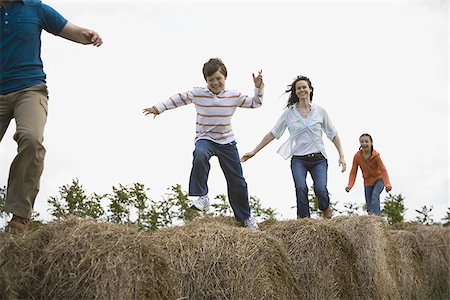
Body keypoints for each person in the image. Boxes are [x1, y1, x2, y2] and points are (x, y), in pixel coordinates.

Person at [0, 0, 103, 232]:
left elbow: (68, 28)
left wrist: (87, 34)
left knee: (31, 139)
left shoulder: (34, 8)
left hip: (30, 89)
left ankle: (19, 217)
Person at [143, 58, 264, 229]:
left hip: (227, 142)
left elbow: (256, 103)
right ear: (206, 80)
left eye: (218, 78)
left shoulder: (233, 96)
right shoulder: (198, 93)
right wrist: (159, 108)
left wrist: (258, 88)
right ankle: (202, 196)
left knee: (237, 181)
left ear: (225, 77)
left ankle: (244, 217)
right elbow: (178, 98)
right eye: (211, 79)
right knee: (200, 155)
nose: (215, 83)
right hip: (205, 139)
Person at [241, 75, 345, 219]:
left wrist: (342, 156)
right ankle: (304, 221)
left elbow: (333, 134)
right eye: (298, 88)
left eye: (304, 87)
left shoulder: (320, 111)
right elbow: (273, 133)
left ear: (310, 89)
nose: (302, 90)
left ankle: (325, 207)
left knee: (320, 189)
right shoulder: (289, 113)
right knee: (301, 188)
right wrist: (254, 151)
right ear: (295, 92)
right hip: (299, 159)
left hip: (318, 158)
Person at [345, 133, 392, 215]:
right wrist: (350, 185)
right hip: (367, 182)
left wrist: (387, 184)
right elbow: (353, 172)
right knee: (369, 206)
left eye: (366, 141)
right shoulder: (357, 156)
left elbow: (383, 170)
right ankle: (371, 222)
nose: (364, 144)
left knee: (375, 195)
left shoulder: (376, 156)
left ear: (371, 143)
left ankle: (376, 220)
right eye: (362, 142)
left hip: (379, 180)